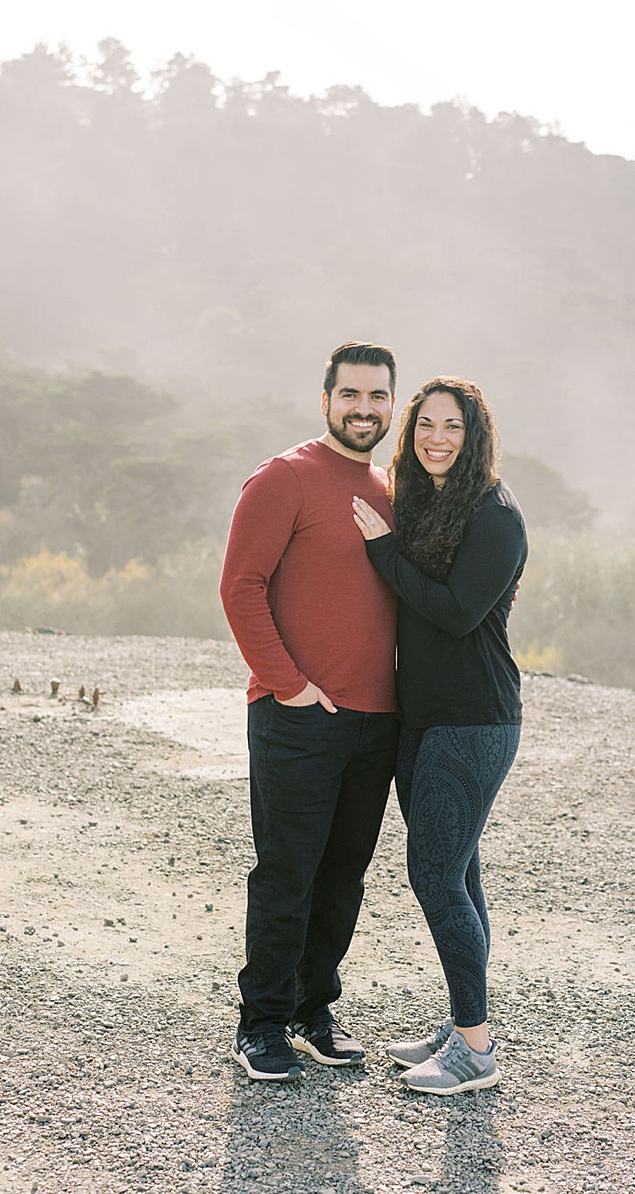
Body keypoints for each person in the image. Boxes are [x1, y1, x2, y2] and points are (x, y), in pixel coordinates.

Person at [220, 341, 402, 1081]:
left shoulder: (397, 489)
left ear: (394, 405)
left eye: (378, 396)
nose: (365, 408)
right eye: (351, 395)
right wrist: (288, 683)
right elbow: (241, 588)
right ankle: (260, 1023)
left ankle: (311, 1009)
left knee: (343, 877)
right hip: (297, 716)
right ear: (324, 400)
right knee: (287, 874)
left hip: (380, 722)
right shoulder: (283, 478)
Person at [350, 375, 527, 1095]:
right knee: (460, 872)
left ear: (475, 433)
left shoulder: (494, 513)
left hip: (475, 717)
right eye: (426, 425)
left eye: (452, 427)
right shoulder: (432, 499)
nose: (437, 438)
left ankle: (476, 1053)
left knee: (434, 875)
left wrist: (384, 552)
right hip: (423, 718)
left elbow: (454, 614)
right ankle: (462, 1023)